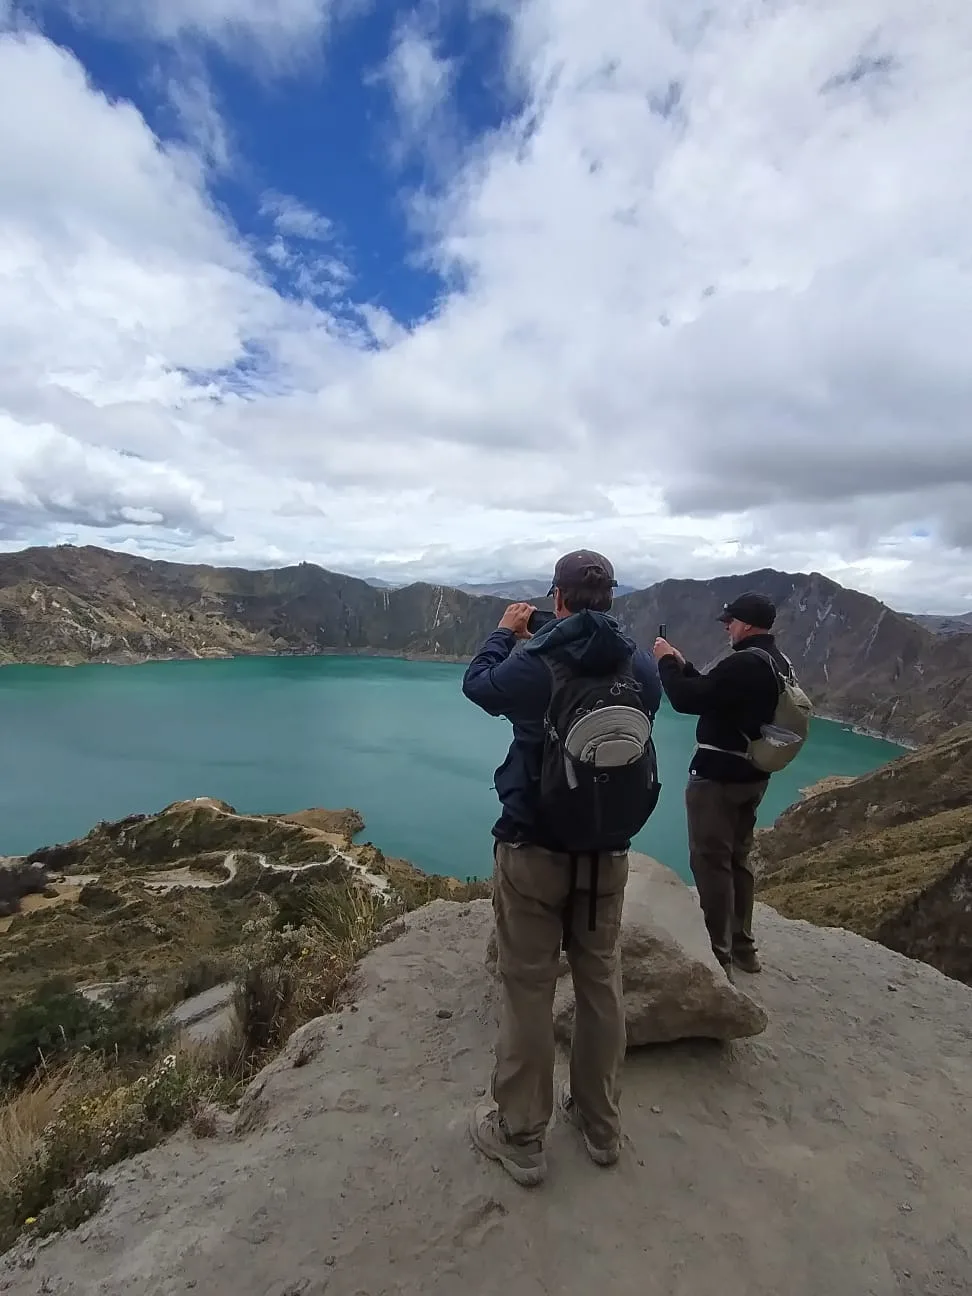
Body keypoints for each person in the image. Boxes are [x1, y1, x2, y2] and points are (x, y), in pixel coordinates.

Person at [462, 550, 662, 1188]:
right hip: (607, 853)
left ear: (558, 596)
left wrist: (507, 633)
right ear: (610, 598)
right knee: (600, 980)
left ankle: (521, 1135)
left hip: (534, 847)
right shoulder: (638, 666)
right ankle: (600, 1125)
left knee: (529, 987)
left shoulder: (537, 662)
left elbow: (480, 685)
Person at [652, 591, 794, 980]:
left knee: (711, 863)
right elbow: (716, 695)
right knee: (737, 860)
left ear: (746, 624)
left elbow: (685, 700)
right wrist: (685, 665)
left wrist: (665, 662)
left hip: (718, 781)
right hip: (752, 778)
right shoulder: (775, 661)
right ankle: (743, 946)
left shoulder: (744, 663)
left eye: (730, 621)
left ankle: (718, 955)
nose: (727, 627)